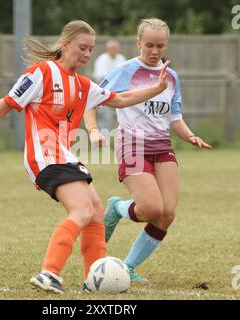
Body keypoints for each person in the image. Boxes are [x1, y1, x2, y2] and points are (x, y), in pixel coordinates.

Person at [0, 20, 170, 294]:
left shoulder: (84, 85)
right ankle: (49, 273)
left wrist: (156, 89)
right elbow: (5, 104)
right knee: (82, 210)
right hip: (44, 155)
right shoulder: (41, 73)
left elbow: (119, 99)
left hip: (65, 155)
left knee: (96, 211)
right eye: (82, 48)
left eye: (90, 50)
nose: (86, 54)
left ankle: (94, 278)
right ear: (65, 44)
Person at [84, 18, 212, 283]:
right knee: (150, 209)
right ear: (139, 43)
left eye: (160, 46)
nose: (155, 51)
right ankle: (117, 208)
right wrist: (94, 130)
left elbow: (174, 117)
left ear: (167, 45)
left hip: (163, 147)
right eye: (150, 45)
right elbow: (91, 101)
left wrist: (190, 136)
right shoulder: (125, 71)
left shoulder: (172, 77)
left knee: (166, 214)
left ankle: (128, 267)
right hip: (133, 146)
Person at [90, 39, 126, 137]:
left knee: (124, 112)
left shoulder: (121, 59)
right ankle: (104, 138)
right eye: (111, 48)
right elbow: (102, 78)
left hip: (120, 89)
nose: (113, 50)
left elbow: (124, 75)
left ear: (118, 49)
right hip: (104, 90)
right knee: (105, 116)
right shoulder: (101, 59)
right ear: (107, 49)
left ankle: (120, 137)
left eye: (114, 48)